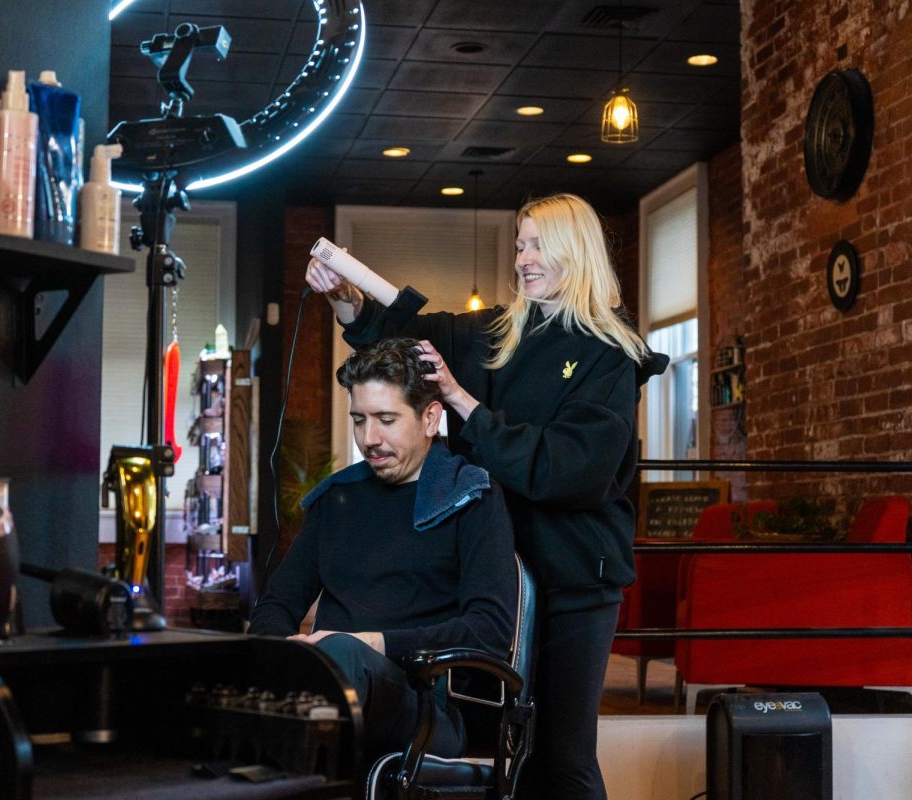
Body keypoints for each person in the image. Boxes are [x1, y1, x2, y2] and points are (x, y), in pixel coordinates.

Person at [306, 193, 669, 800]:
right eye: (520, 245)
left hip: (574, 578)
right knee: (498, 746)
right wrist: (348, 300)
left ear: (575, 251)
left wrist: (462, 401)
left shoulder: (611, 356)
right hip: (492, 576)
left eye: (537, 246)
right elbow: (407, 336)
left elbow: (564, 470)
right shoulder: (498, 332)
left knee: (562, 755)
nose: (522, 258)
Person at [249, 337, 518, 761]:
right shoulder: (336, 498)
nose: (369, 438)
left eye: (386, 420)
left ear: (430, 419)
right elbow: (275, 605)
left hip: (429, 708)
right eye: (359, 420)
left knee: (341, 655)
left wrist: (373, 643)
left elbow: (489, 632)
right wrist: (288, 649)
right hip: (333, 684)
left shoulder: (471, 497)